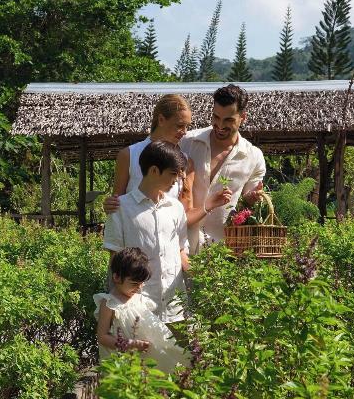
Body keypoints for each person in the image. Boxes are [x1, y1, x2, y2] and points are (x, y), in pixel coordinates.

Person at [104, 94, 232, 228]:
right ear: (161, 119)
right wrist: (109, 205)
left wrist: (209, 204)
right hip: (134, 243)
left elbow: (184, 216)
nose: (184, 132)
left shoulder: (187, 163)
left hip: (170, 243)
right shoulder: (129, 155)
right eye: (180, 125)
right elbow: (116, 207)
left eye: (187, 126)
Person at [103, 140, 190, 324]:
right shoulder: (121, 208)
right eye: (172, 173)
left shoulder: (176, 208)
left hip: (175, 307)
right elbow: (115, 259)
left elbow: (181, 250)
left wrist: (201, 277)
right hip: (138, 308)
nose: (176, 180)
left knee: (179, 353)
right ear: (153, 171)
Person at [179, 84, 266, 254]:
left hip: (222, 251)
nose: (219, 125)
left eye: (228, 120)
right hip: (180, 244)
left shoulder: (253, 156)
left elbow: (246, 205)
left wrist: (252, 198)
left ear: (243, 117)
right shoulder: (186, 142)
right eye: (216, 117)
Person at [94, 247, 189, 373]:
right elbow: (102, 337)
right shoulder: (109, 303)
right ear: (116, 277)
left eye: (142, 283)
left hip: (144, 358)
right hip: (121, 361)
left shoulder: (139, 298)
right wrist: (130, 344)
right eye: (134, 284)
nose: (139, 288)